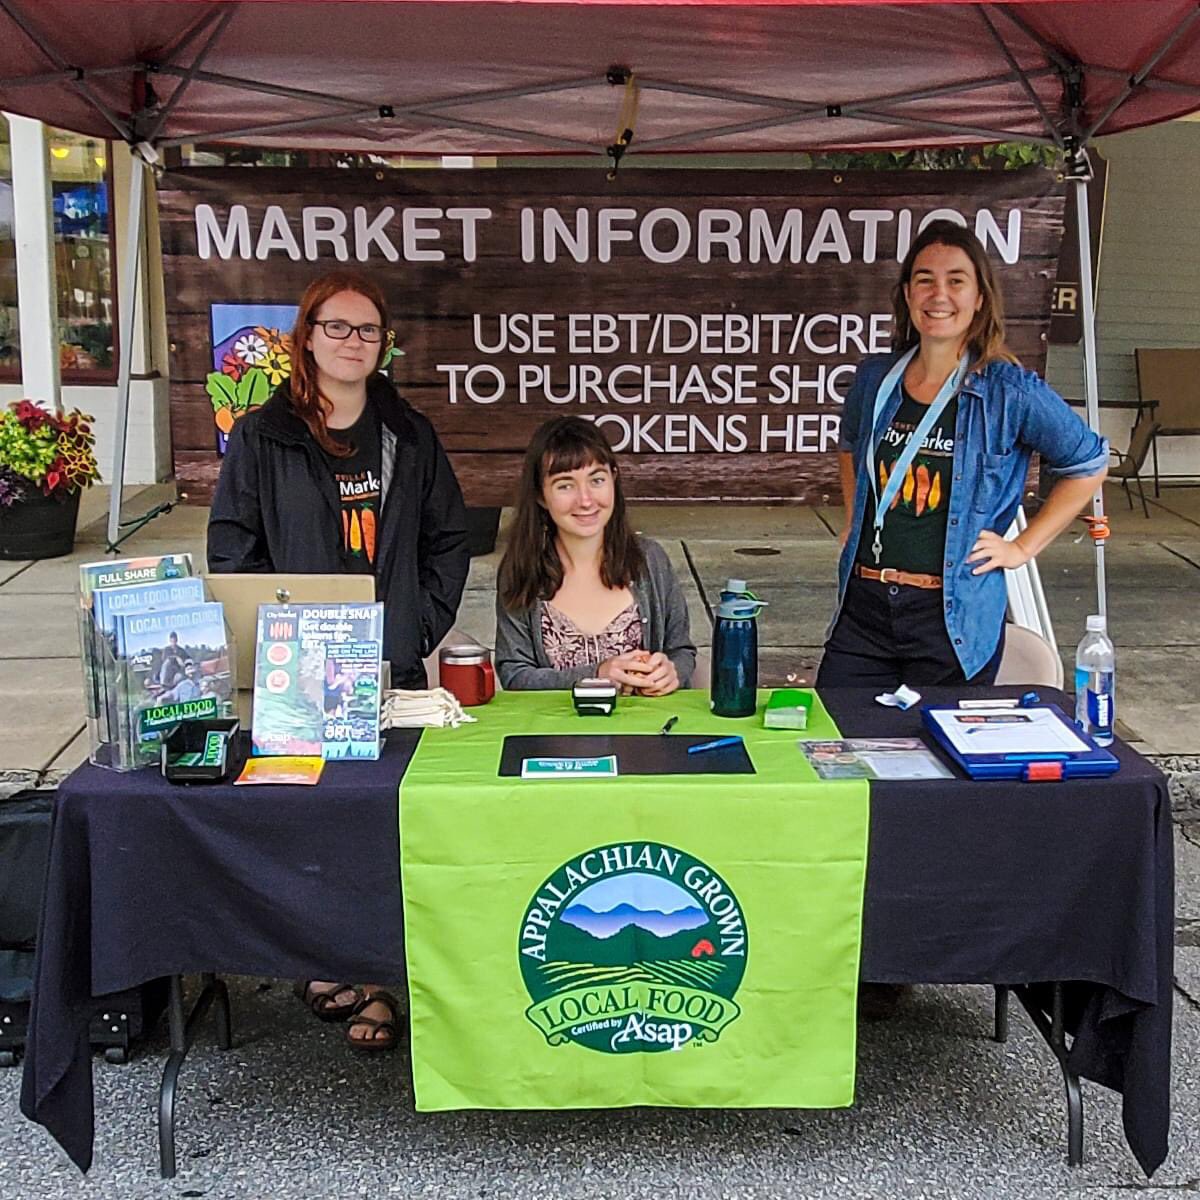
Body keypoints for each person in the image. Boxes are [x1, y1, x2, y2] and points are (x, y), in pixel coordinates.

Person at [208, 269, 469, 1052]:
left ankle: (381, 979)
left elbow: (448, 540)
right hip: (297, 669)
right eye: (338, 327)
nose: (354, 342)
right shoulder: (262, 436)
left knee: (379, 821)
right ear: (308, 337)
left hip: (386, 666)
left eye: (368, 330)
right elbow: (234, 548)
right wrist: (272, 639)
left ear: (385, 343)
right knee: (306, 823)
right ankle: (321, 960)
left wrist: (416, 627)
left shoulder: (408, 435)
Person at [818, 219, 1108, 693]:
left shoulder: (1009, 391)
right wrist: (855, 518)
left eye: (956, 281)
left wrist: (1021, 547)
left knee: (936, 739)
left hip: (952, 617)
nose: (939, 295)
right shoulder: (874, 379)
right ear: (907, 294)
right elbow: (850, 445)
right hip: (864, 609)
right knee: (838, 729)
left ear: (979, 298)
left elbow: (1089, 463)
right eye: (925, 280)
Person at [496, 416, 695, 693]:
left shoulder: (650, 560)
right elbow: (514, 674)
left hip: (648, 721)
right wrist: (596, 675)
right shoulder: (521, 569)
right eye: (565, 485)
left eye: (597, 480)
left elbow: (682, 651)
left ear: (614, 478)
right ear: (541, 496)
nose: (586, 500)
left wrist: (672, 672)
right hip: (553, 722)